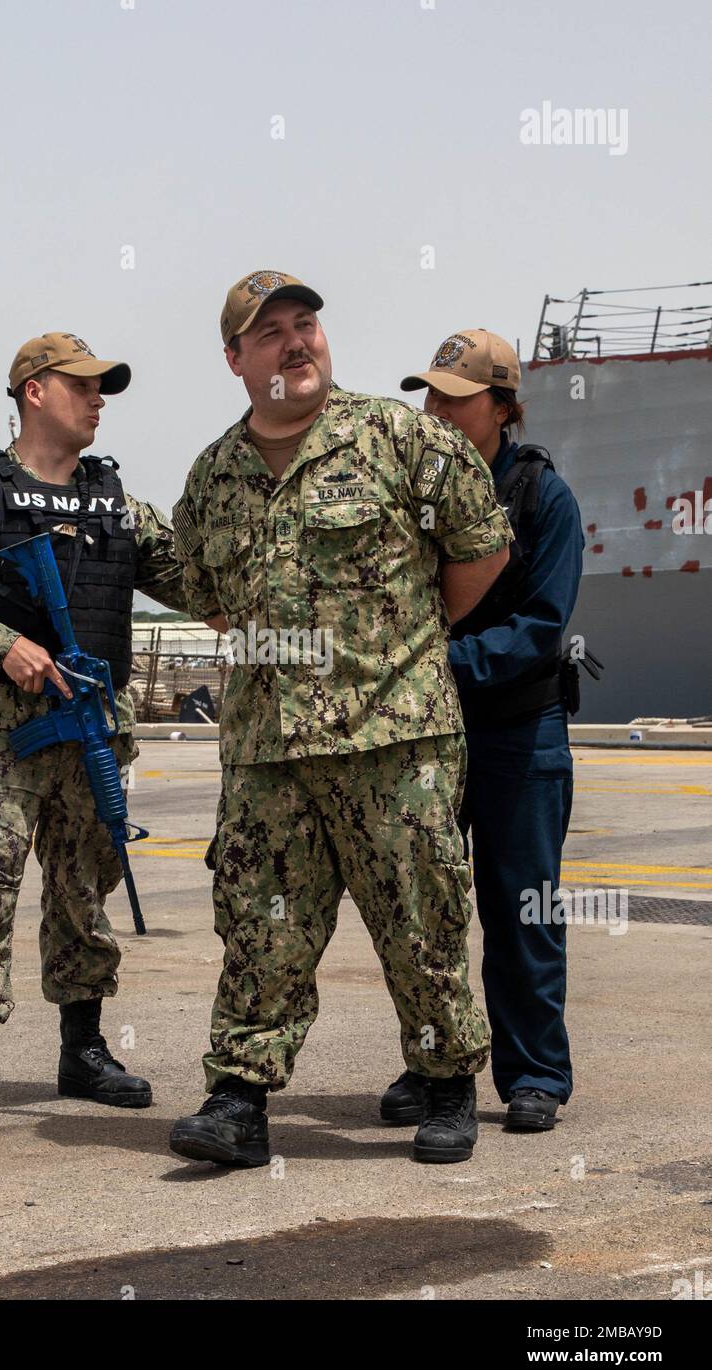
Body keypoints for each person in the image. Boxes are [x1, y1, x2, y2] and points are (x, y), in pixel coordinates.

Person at [168, 271, 512, 1168]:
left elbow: (481, 549)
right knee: (256, 924)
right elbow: (208, 596)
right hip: (266, 750)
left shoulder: (400, 438)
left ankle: (445, 1086)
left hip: (393, 737)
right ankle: (238, 1101)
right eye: (272, 332)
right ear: (236, 359)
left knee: (419, 915)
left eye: (306, 324)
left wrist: (402, 646)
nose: (297, 343)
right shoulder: (212, 476)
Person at [0, 332, 189, 1141]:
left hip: (92, 725)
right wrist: (3, 645)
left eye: (104, 389)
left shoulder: (119, 506)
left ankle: (83, 1052)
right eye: (83, 386)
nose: (99, 400)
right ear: (33, 392)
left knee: (84, 887)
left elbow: (196, 575)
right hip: (4, 733)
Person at [388, 329, 584, 1131]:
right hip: (429, 736)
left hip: (517, 731)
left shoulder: (544, 499)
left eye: (453, 397)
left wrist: (436, 664)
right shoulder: (414, 493)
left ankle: (535, 1073)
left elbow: (542, 625)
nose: (434, 410)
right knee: (424, 912)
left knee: (521, 906)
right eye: (428, 395)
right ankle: (435, 1065)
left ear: (501, 407)